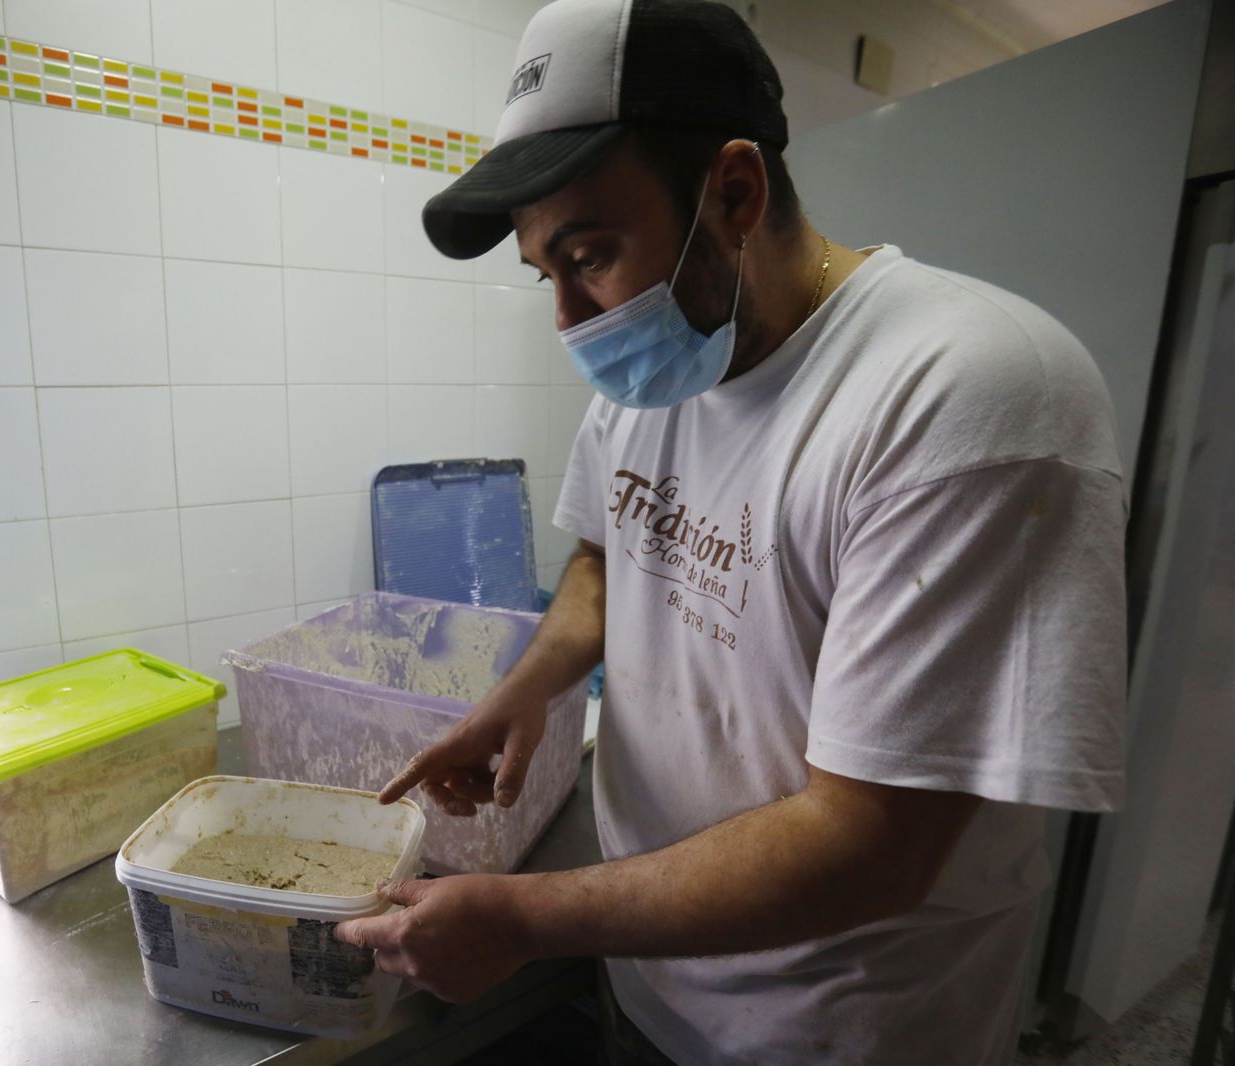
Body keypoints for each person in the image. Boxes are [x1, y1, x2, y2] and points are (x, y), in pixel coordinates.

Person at [332, 0, 1128, 1063]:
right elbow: (607, 553)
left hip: (838, 1029)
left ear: (736, 192)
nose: (570, 317)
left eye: (590, 253)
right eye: (546, 274)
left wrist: (524, 918)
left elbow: (868, 846)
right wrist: (533, 685)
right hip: (654, 985)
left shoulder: (967, 395)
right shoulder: (658, 358)